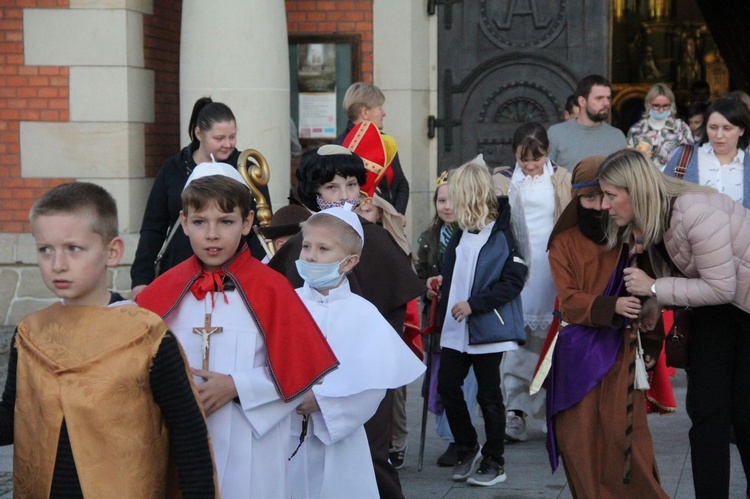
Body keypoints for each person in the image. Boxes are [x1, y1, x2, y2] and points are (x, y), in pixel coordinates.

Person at [136, 163, 339, 499]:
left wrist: (237, 386)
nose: (212, 235)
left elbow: (302, 372)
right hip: (178, 437)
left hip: (251, 441)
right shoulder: (161, 291)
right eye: (200, 222)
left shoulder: (273, 288)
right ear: (184, 223)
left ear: (246, 223)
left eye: (226, 222)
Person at [1, 182, 216, 497]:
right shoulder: (31, 333)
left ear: (112, 251)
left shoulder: (146, 335)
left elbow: (188, 432)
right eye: (46, 249)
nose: (57, 263)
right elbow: (13, 414)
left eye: (74, 248)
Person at [268, 145, 424, 499]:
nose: (343, 196)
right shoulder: (298, 246)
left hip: (364, 376)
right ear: (313, 193)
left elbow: (394, 309)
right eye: (331, 188)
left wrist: (370, 358)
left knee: (370, 457)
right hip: (303, 385)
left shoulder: (378, 240)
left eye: (351, 185)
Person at [598, 148, 750, 499]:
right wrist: (657, 300)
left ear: (635, 191)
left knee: (744, 416)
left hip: (740, 309)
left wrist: (653, 287)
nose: (604, 205)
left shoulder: (693, 211)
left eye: (609, 195)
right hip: (715, 313)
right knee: (707, 416)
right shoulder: (655, 220)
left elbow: (722, 286)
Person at [545, 156, 668, 498]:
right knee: (581, 442)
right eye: (589, 198)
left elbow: (652, 292)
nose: (600, 207)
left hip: (622, 349)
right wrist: (610, 305)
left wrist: (651, 339)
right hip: (577, 354)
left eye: (605, 197)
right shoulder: (563, 243)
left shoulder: (632, 238)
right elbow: (568, 299)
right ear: (576, 200)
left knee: (626, 443)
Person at [429, 160, 528, 487]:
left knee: (489, 396)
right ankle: (468, 444)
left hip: (487, 328)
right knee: (447, 386)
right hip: (456, 327)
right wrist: (441, 283)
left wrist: (474, 304)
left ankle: (494, 461)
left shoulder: (501, 234)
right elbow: (462, 272)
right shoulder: (460, 233)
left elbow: (512, 282)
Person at [131, 97, 271, 297]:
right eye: (219, 138)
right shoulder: (173, 168)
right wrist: (141, 279)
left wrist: (262, 276)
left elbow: (260, 230)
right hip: (179, 269)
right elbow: (153, 227)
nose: (227, 144)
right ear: (199, 134)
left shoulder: (247, 170)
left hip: (235, 275)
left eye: (232, 137)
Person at [493, 122, 571, 442]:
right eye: (523, 159)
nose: (529, 165)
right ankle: (515, 409)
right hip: (517, 267)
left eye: (535, 159)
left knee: (553, 339)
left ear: (547, 152)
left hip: (552, 267)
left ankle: (551, 409)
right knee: (517, 341)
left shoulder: (561, 178)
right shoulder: (504, 179)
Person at [416, 172, 478, 467]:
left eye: (453, 199)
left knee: (464, 382)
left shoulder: (474, 234)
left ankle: (460, 437)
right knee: (441, 380)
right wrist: (428, 286)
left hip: (467, 320)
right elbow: (417, 277)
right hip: (439, 323)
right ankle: (451, 435)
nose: (447, 205)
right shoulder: (429, 238)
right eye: (441, 199)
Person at [334, 82, 410, 214]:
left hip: (387, 226)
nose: (384, 113)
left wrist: (396, 216)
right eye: (379, 108)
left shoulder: (386, 142)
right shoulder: (340, 148)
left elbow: (402, 184)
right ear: (365, 112)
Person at [664, 97, 750, 208]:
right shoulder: (684, 157)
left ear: (741, 130)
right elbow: (663, 196)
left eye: (727, 128)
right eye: (713, 128)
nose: (719, 135)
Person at [547, 74, 627, 170]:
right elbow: (544, 175)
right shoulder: (556, 134)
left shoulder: (617, 136)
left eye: (608, 98)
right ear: (582, 101)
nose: (606, 103)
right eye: (599, 98)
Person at [626, 83, 694, 170]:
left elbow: (691, 156)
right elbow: (629, 161)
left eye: (665, 106)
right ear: (649, 104)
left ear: (671, 105)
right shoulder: (636, 129)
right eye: (656, 106)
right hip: (644, 180)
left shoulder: (681, 127)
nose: (661, 110)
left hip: (674, 180)